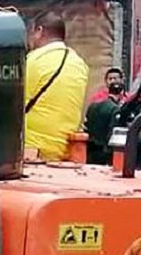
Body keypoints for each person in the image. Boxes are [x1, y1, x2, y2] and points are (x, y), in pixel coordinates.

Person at [24, 11, 89, 162]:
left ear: (39, 31)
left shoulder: (34, 60)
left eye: (31, 33)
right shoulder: (80, 64)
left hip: (32, 152)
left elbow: (12, 106)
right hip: (66, 153)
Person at [85, 71, 126, 163]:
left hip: (90, 150)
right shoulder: (115, 109)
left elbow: (86, 126)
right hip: (105, 152)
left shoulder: (93, 105)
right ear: (121, 93)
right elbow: (112, 131)